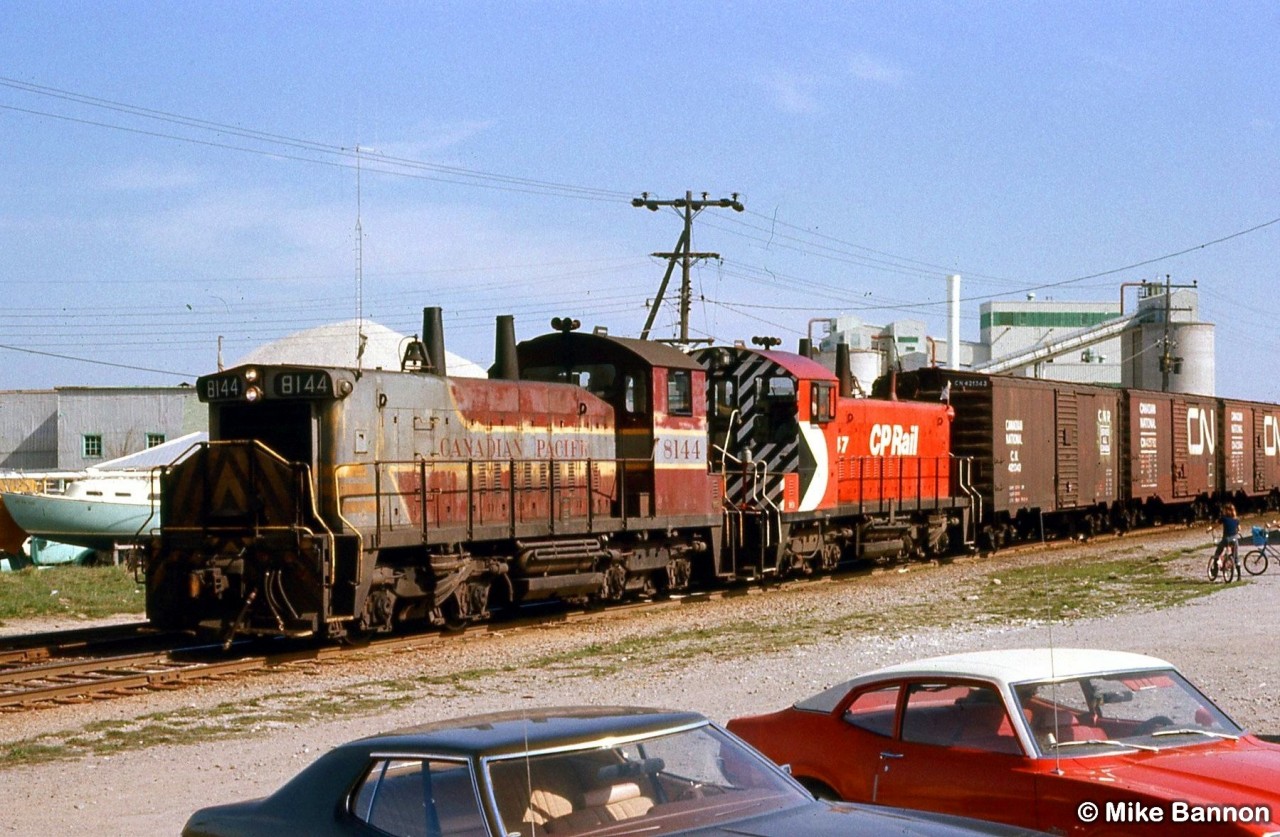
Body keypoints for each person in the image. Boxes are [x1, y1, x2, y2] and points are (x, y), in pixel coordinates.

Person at [1210, 503, 1241, 578]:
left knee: (1217, 552)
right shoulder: (1236, 519)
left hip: (1226, 539)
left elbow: (1215, 525)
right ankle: (1239, 576)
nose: (1223, 511)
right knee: (1236, 556)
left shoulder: (1223, 518)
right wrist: (1238, 532)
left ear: (1227, 511)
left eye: (1224, 510)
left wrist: (1210, 529)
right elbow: (1239, 529)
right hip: (1234, 539)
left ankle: (1215, 571)